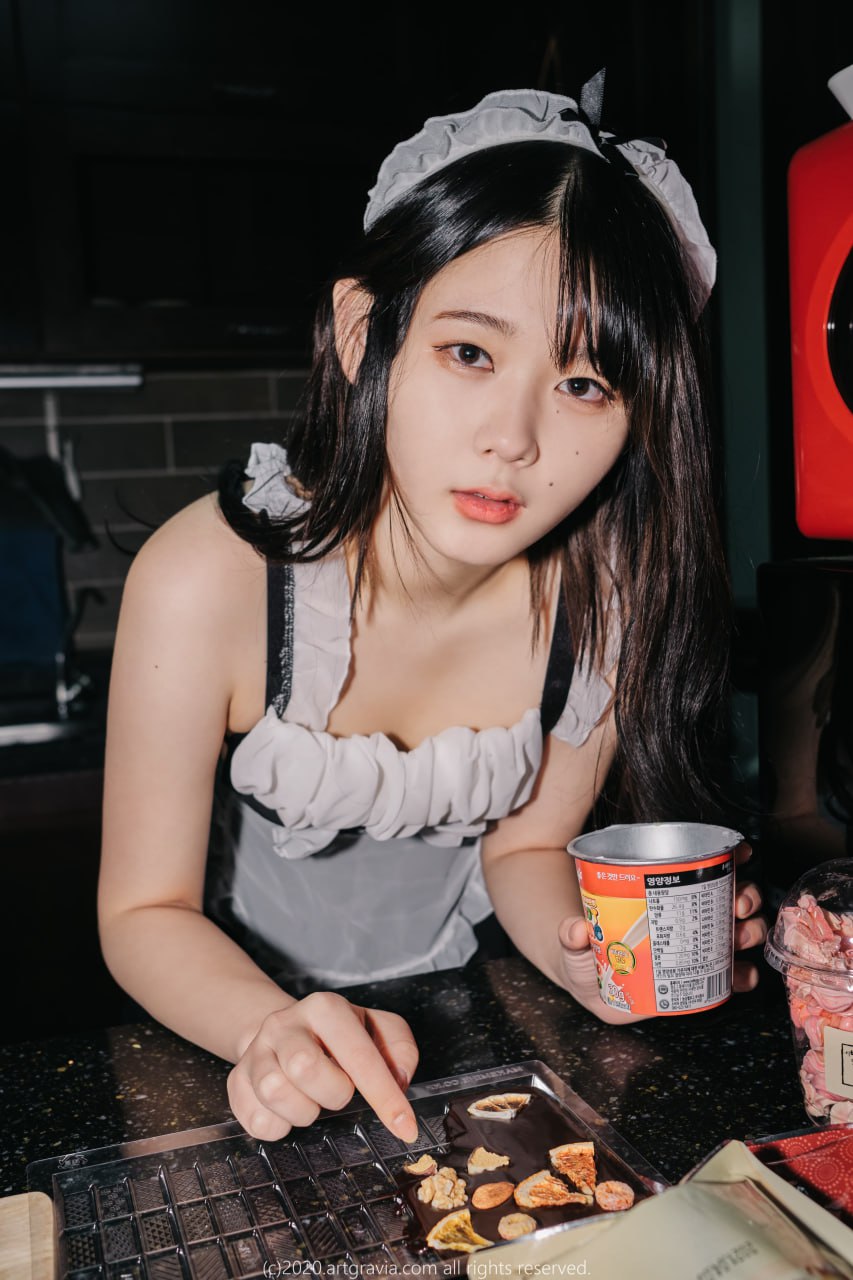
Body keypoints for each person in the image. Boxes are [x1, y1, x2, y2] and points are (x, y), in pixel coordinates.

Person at [98, 88, 766, 1148]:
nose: (514, 438)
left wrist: (591, 957)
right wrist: (270, 1029)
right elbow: (143, 911)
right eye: (470, 353)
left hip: (463, 1034)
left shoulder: (605, 602)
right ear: (364, 331)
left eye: (585, 383)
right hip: (223, 1041)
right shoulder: (208, 581)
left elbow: (526, 845)